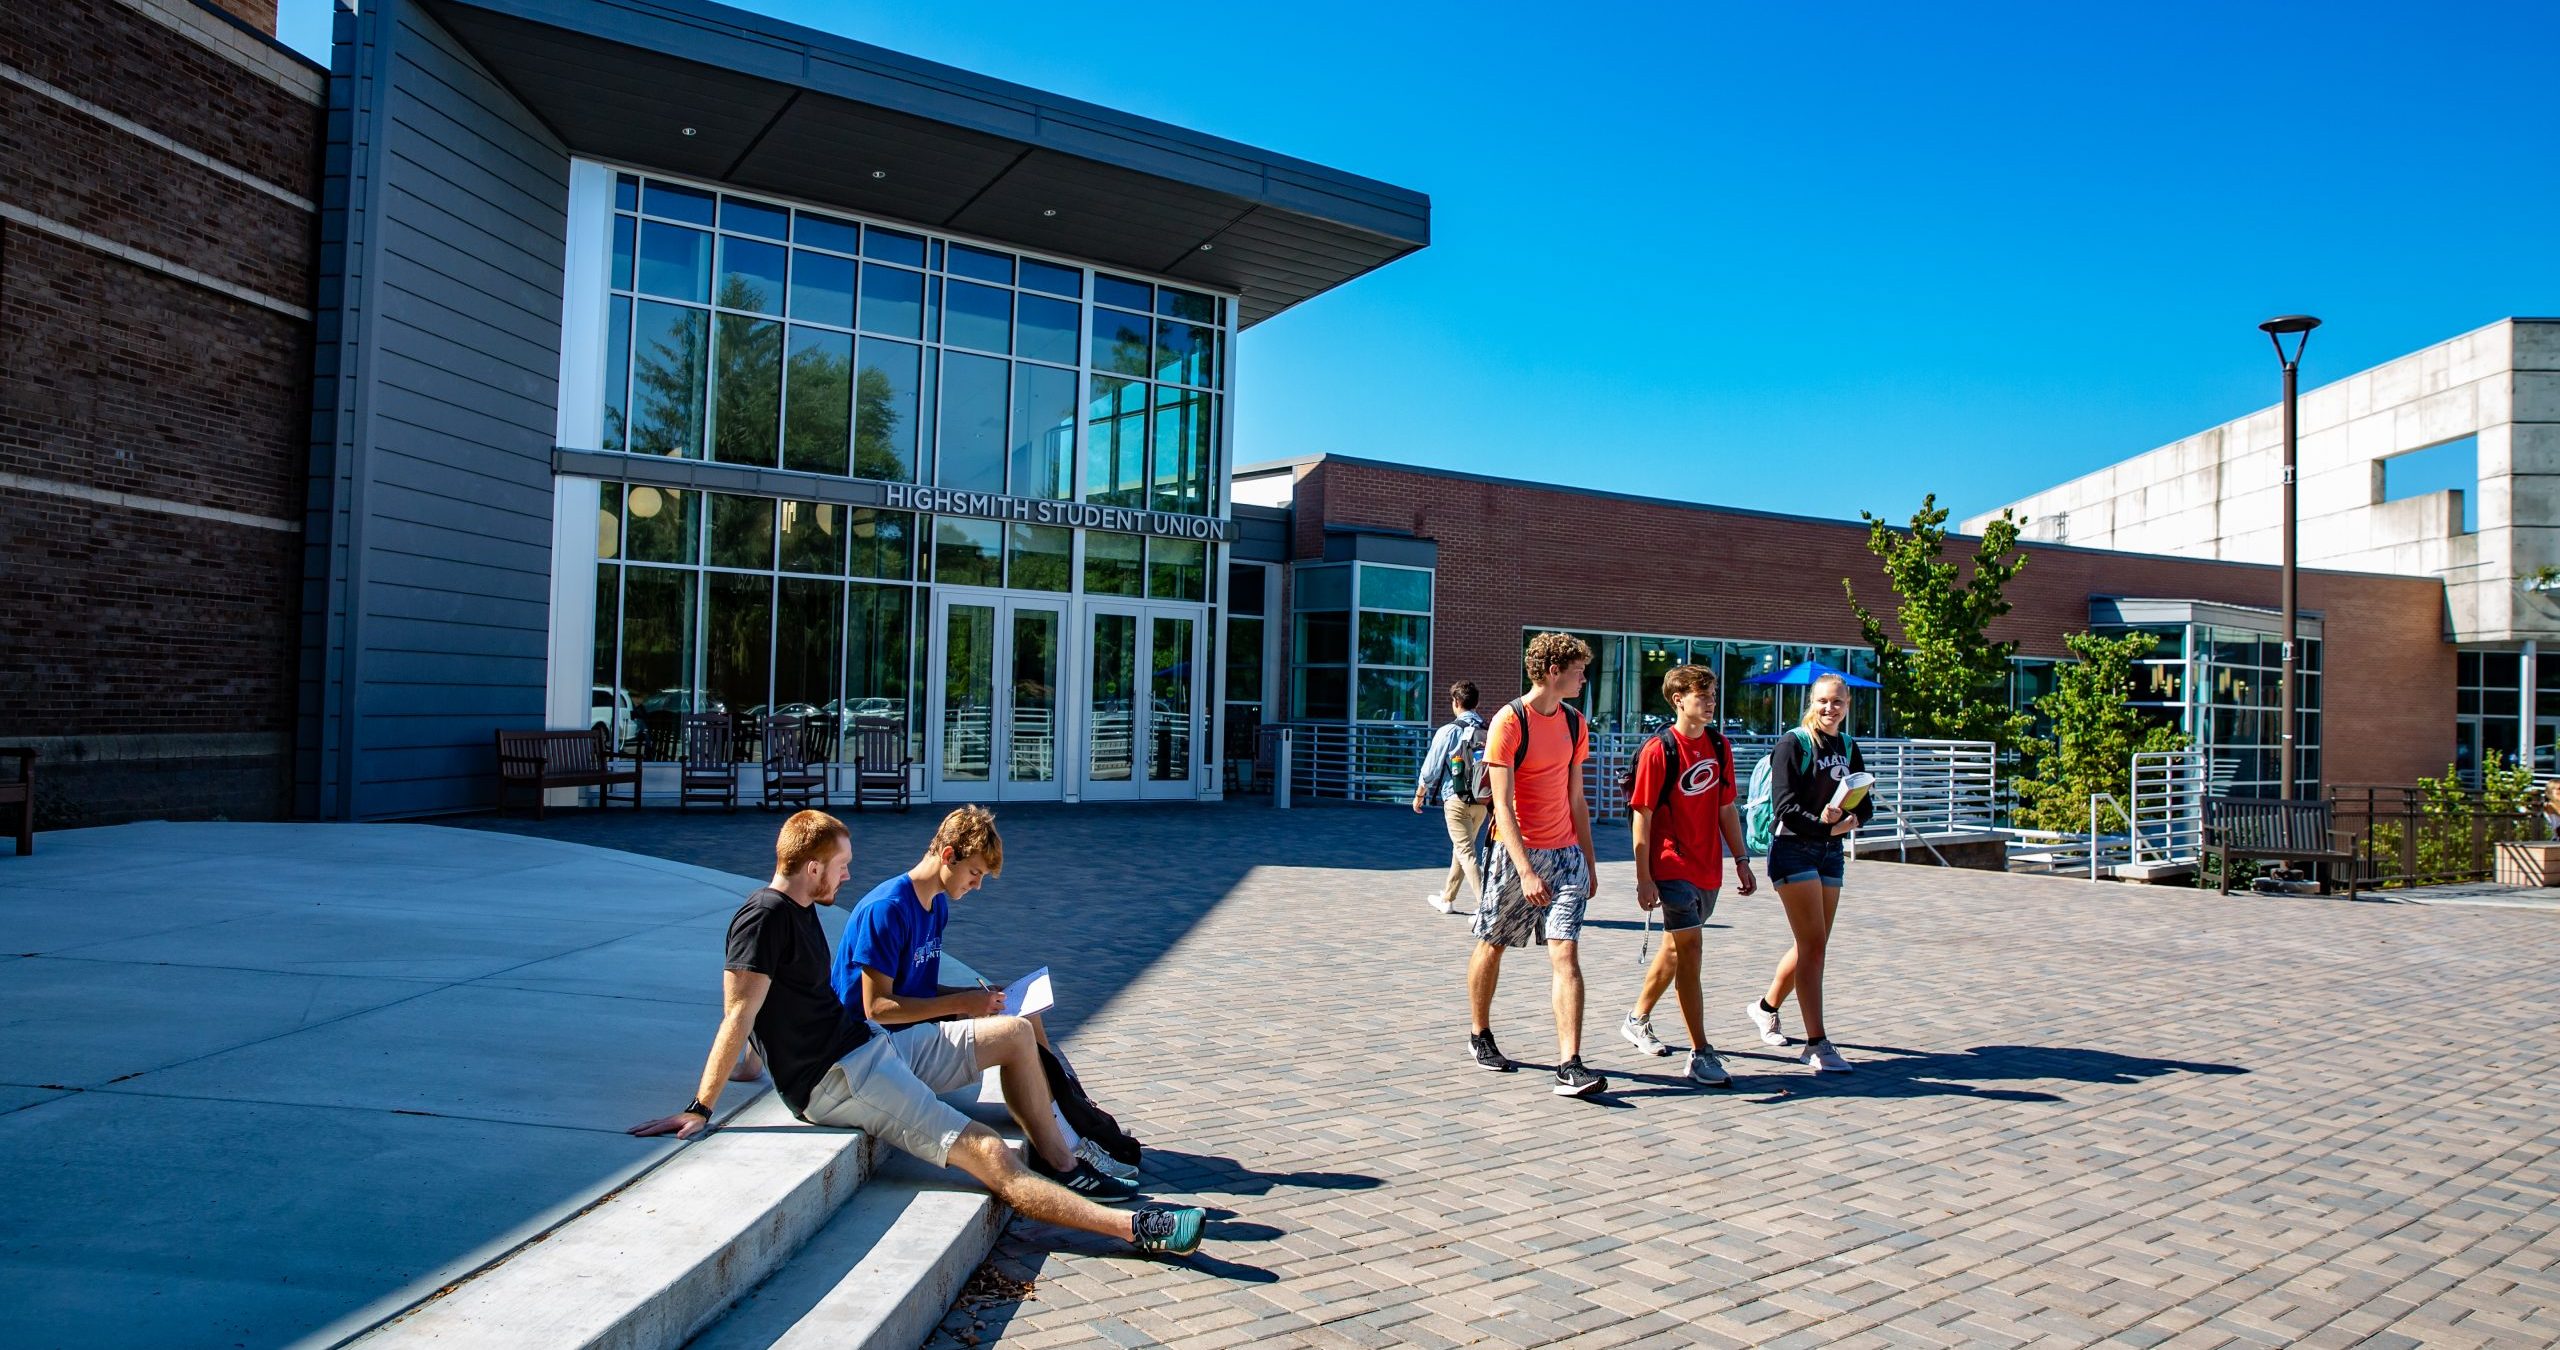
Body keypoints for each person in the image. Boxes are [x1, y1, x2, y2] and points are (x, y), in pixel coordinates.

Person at [629, 810, 1205, 1256]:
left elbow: (778, 1012)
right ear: (811, 867)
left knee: (1013, 1031)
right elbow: (739, 1011)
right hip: (842, 1078)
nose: (849, 873)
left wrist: (752, 1063)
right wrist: (700, 1106)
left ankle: (1073, 1142)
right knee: (986, 1149)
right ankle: (1135, 1227)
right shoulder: (764, 916)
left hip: (870, 1049)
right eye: (841, 864)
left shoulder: (799, 909)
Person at [832, 805, 1140, 1187]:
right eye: (975, 873)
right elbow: (876, 1007)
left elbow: (917, 992)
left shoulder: (935, 905)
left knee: (1025, 1012)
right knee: (1014, 1035)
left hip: (910, 1032)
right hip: (878, 1051)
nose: (977, 885)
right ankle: (1061, 1159)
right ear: (948, 856)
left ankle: (1071, 1123)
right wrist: (963, 1004)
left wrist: (977, 997)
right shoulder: (888, 909)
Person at [1468, 632, 1607, 1097]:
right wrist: (1525, 870)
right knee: (1493, 943)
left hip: (1565, 855)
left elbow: (1577, 798)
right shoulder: (1510, 721)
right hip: (1517, 855)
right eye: (1578, 670)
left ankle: (1570, 1064)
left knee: (1565, 953)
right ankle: (1480, 1033)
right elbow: (1502, 807)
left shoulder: (1574, 722)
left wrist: (1587, 859)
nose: (1584, 678)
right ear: (1554, 672)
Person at [1618, 664, 1755, 1086]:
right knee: (1691, 951)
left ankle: (1636, 1019)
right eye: (1703, 695)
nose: (1711, 702)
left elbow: (1726, 807)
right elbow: (1641, 815)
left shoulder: (1719, 744)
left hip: (1707, 866)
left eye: (1713, 694)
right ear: (1679, 699)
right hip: (1670, 864)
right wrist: (1644, 877)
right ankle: (1700, 1052)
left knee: (1675, 951)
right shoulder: (1660, 749)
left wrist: (1742, 857)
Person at [1744, 673, 1872, 1073]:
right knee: (1813, 943)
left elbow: (1865, 801)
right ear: (1810, 702)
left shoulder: (1847, 745)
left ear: (1847, 705)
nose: (1829, 709)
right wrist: (1825, 827)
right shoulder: (1792, 744)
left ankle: (1765, 1008)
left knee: (1811, 944)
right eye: (1822, 702)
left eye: (1837, 702)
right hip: (1793, 850)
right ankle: (1816, 1043)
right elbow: (1785, 808)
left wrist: (1849, 819)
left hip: (1830, 853)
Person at [1413, 681, 1492, 915]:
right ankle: (1447, 898)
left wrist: (1419, 795)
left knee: (1466, 851)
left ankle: (1486, 907)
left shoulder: (1449, 730)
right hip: (1481, 800)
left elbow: (1430, 768)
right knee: (1462, 847)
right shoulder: (1489, 729)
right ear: (1476, 703)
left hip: (1456, 799)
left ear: (1456, 702)